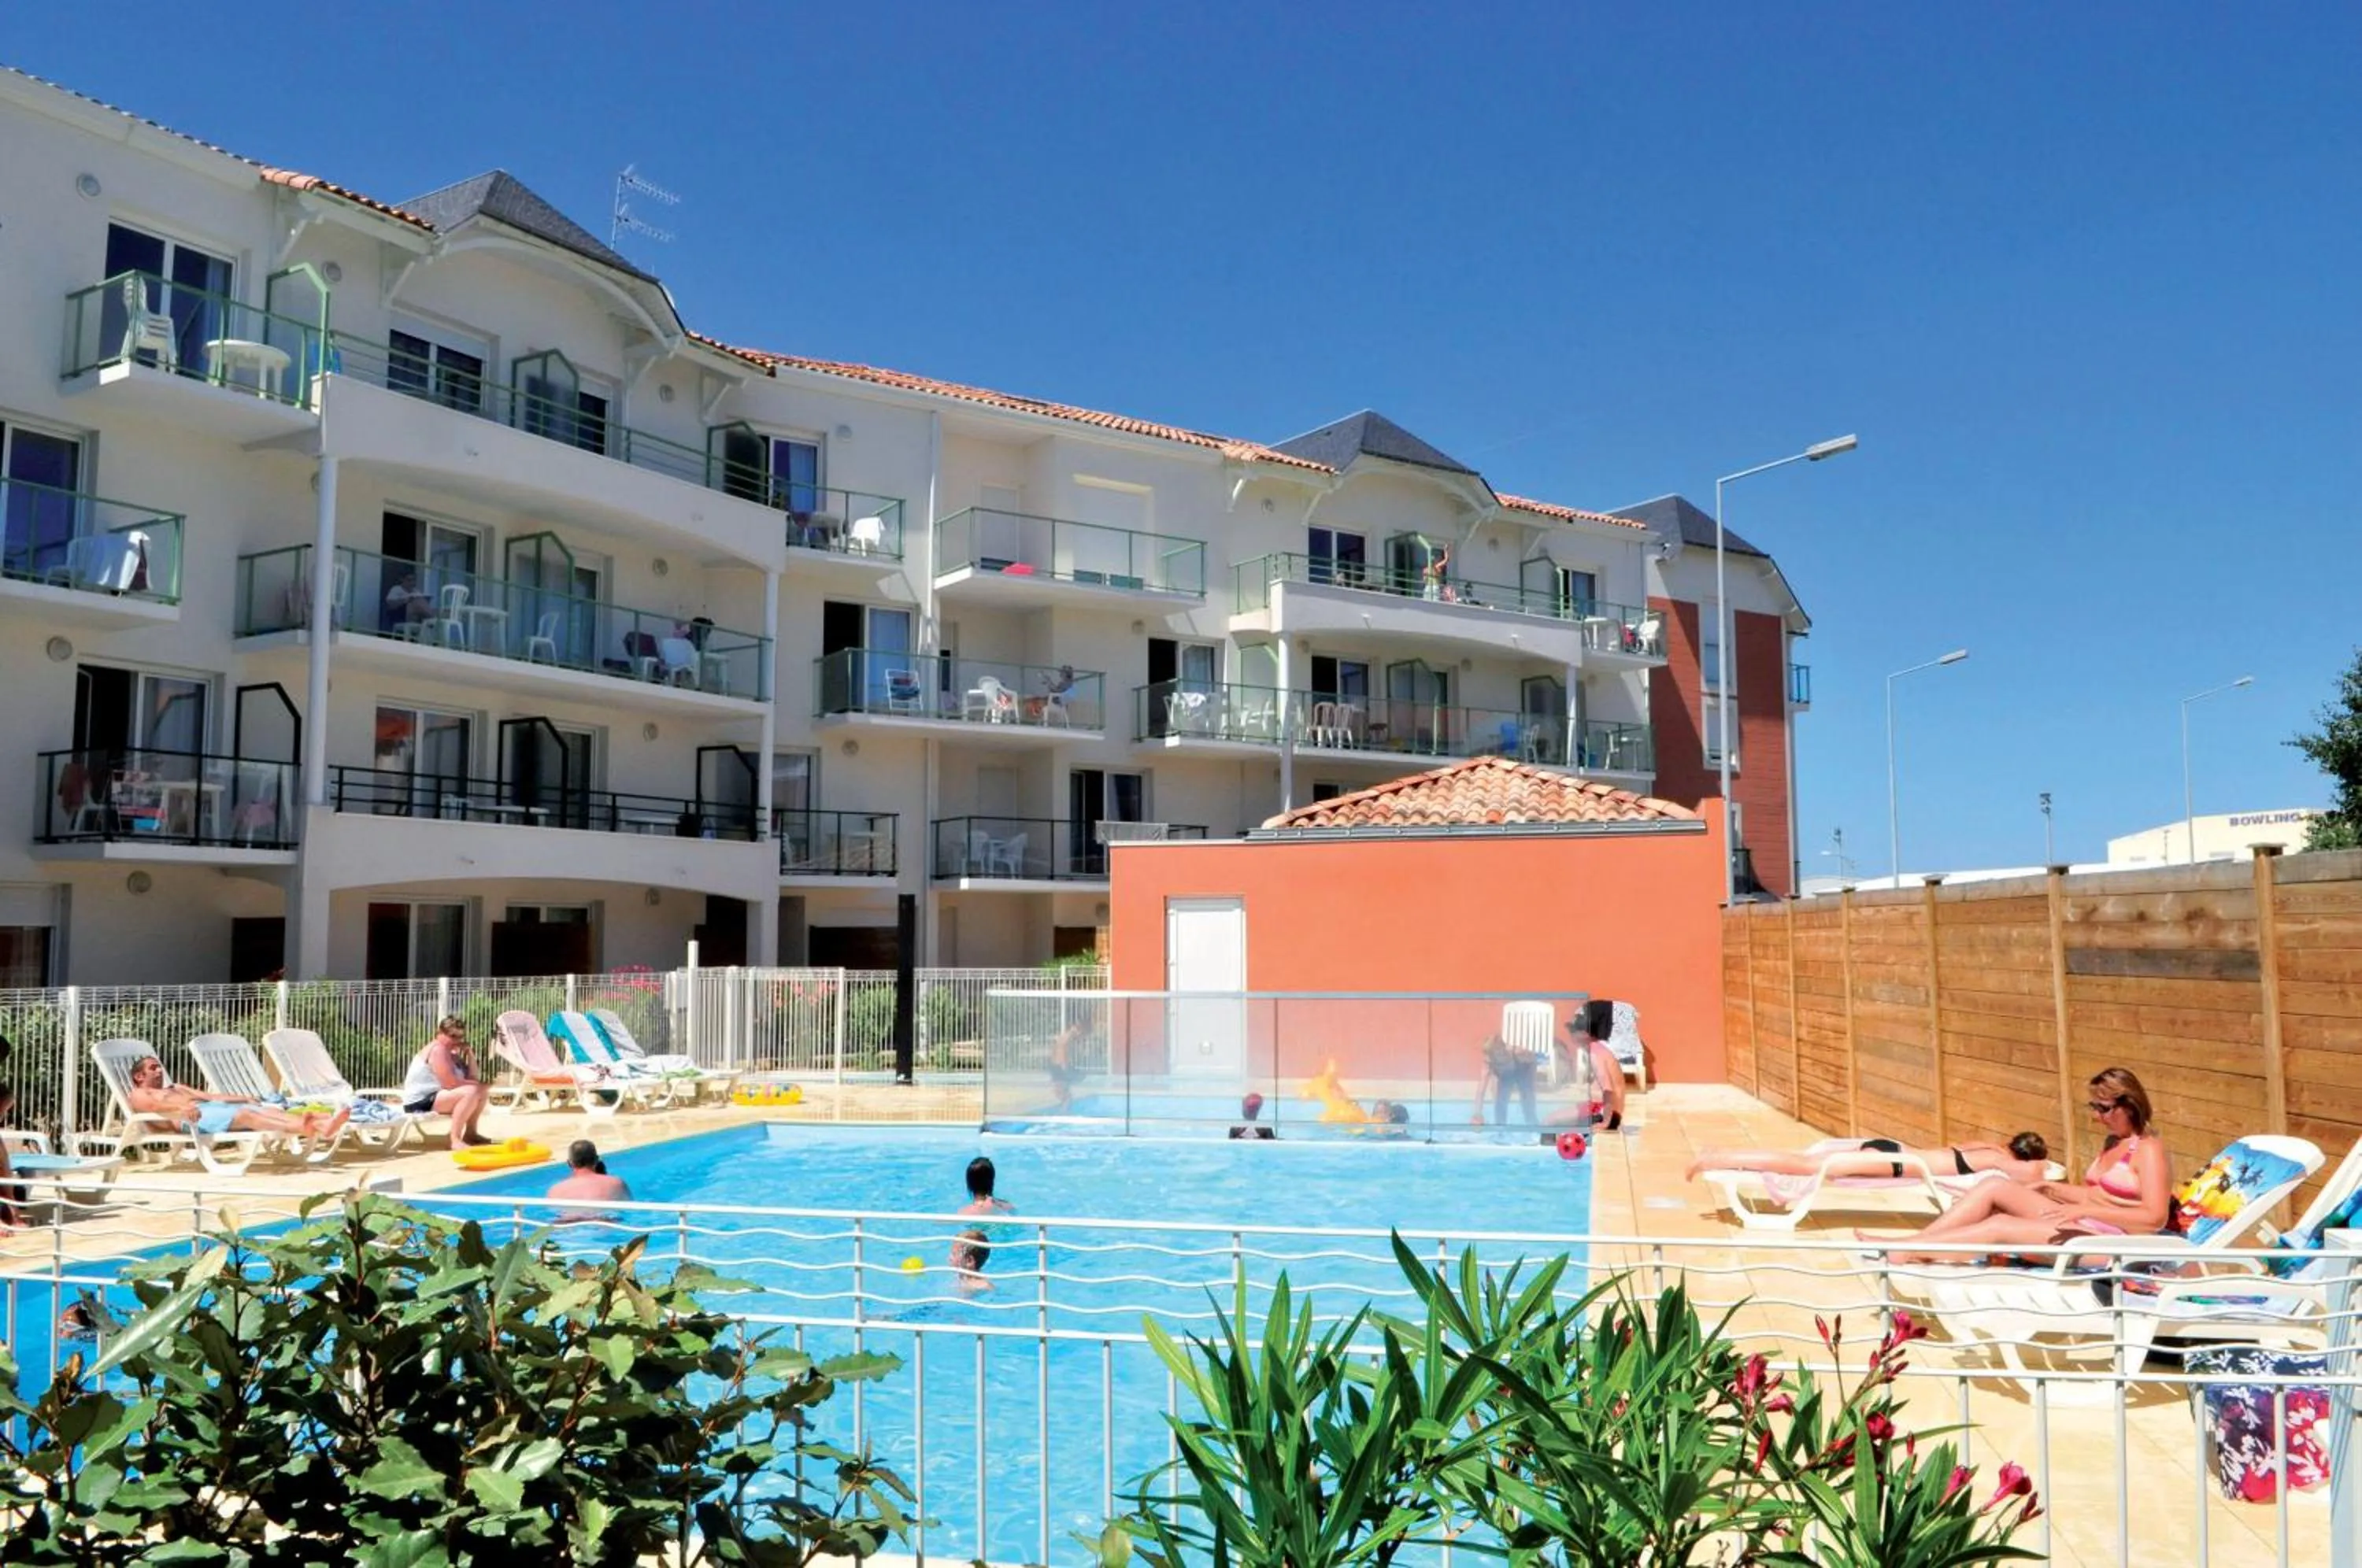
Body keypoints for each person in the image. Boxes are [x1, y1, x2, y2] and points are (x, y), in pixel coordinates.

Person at [1868, 1067, 2173, 1263]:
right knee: (1994, 1186)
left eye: (2104, 1109)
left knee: (2000, 1227)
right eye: (2094, 1107)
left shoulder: (2148, 1150)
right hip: (2086, 1225)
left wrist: (2084, 1212)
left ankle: (1908, 1252)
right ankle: (1913, 1242)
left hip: (2115, 1245)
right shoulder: (2113, 1143)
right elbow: (2096, 1197)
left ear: (2129, 1104)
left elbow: (2154, 1218)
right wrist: (2051, 1188)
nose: (2097, 1116)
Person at [126, 1055, 351, 1147]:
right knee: (247, 1116)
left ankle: (321, 1125)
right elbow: (154, 1108)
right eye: (152, 1068)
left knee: (263, 1110)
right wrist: (181, 1107)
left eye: (159, 1066)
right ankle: (307, 1126)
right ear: (139, 1076)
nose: (159, 1070)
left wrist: (243, 1098)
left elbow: (211, 1097)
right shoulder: (140, 1094)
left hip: (208, 1109)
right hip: (191, 1120)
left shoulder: (176, 1087)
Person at [1686, 1131, 2052, 1185]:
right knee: (1803, 1166)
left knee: (1803, 1162)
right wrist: (2047, 1167)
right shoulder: (1998, 1161)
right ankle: (1717, 1158)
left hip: (1891, 1150)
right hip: (1891, 1163)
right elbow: (2034, 1176)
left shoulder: (1984, 1146)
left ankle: (1718, 1157)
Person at [401, 1015, 494, 1150]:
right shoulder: (438, 1050)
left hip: (437, 1097)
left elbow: (473, 1078)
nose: (457, 1040)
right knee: (471, 1092)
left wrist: (470, 1054)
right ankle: (455, 1139)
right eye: (453, 1036)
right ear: (440, 1033)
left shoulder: (451, 1053)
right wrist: (477, 1086)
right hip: (420, 1101)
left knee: (480, 1092)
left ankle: (470, 1133)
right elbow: (450, 1083)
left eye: (460, 1037)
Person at [950, 1156, 1015, 1292]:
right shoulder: (1007, 1206)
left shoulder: (966, 1212)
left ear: (969, 1184)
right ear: (992, 1181)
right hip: (999, 1248)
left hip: (976, 1250)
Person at [1469, 1034, 1542, 1127]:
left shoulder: (1518, 1053)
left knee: (1527, 1101)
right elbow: (1482, 1089)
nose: (1487, 1059)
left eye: (1490, 1055)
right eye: (1487, 1055)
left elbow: (1531, 1061)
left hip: (1524, 1067)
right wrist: (1477, 1113)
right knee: (1501, 1101)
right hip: (1508, 1070)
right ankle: (1501, 1128)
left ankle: (1533, 1124)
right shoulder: (1489, 1061)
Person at [548, 1139, 632, 1215]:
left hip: (570, 1230)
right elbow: (631, 1209)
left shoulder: (555, 1190)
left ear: (569, 1163)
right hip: (606, 1227)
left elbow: (553, 1216)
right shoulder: (616, 1183)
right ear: (597, 1160)